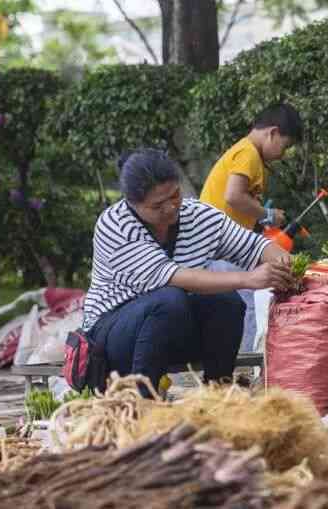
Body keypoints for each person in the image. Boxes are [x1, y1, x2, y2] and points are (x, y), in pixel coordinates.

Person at [82, 149, 294, 393]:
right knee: (169, 298)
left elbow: (254, 245)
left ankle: (217, 393)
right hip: (113, 338)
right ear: (133, 204)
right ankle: (141, 401)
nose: (171, 208)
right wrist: (248, 278)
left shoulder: (197, 215)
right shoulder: (115, 224)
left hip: (169, 329)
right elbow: (172, 276)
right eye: (158, 205)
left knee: (227, 302)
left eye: (175, 195)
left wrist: (291, 266)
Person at [199, 103, 303, 351]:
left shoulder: (246, 152)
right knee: (251, 298)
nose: (283, 154)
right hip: (216, 248)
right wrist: (267, 213)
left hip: (221, 246)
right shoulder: (248, 154)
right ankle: (246, 364)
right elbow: (233, 196)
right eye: (285, 146)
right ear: (273, 133)